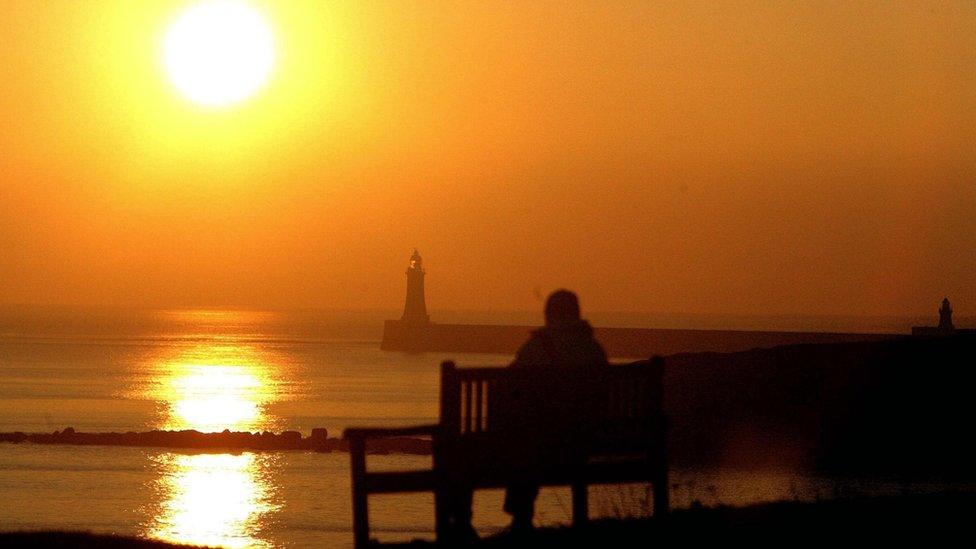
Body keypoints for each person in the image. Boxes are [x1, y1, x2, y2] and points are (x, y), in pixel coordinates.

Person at [445, 290, 608, 539]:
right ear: (576, 313)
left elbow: (508, 383)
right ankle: (520, 517)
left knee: (471, 451)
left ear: (549, 315)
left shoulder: (540, 347)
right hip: (585, 443)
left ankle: (463, 522)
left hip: (545, 446)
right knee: (527, 443)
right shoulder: (594, 349)